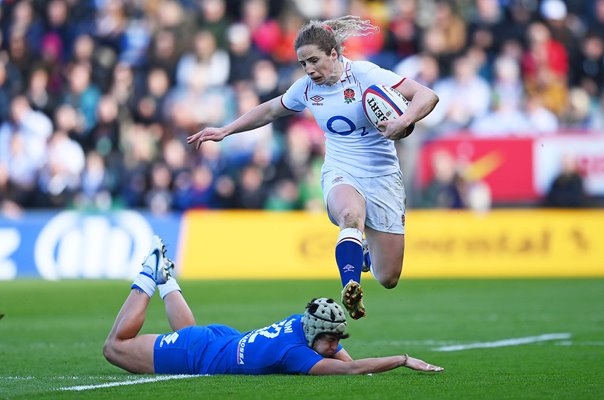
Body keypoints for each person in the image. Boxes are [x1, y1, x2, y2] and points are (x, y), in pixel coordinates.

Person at [187, 16, 439, 319]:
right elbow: (269, 110)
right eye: (303, 63)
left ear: (334, 54)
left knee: (388, 278)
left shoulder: (365, 74)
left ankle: (364, 253)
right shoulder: (306, 88)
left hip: (383, 176)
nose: (308, 69)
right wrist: (226, 130)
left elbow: (428, 95)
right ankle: (351, 289)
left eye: (314, 60)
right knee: (350, 216)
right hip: (340, 169)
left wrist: (404, 120)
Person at [103, 236, 444, 376]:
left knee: (189, 333)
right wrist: (401, 359)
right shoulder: (294, 354)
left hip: (216, 339)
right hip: (199, 353)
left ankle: (167, 278)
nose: (336, 347)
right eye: (332, 341)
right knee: (115, 348)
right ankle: (149, 272)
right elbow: (350, 369)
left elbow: (334, 350)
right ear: (313, 336)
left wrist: (339, 348)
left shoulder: (304, 323)